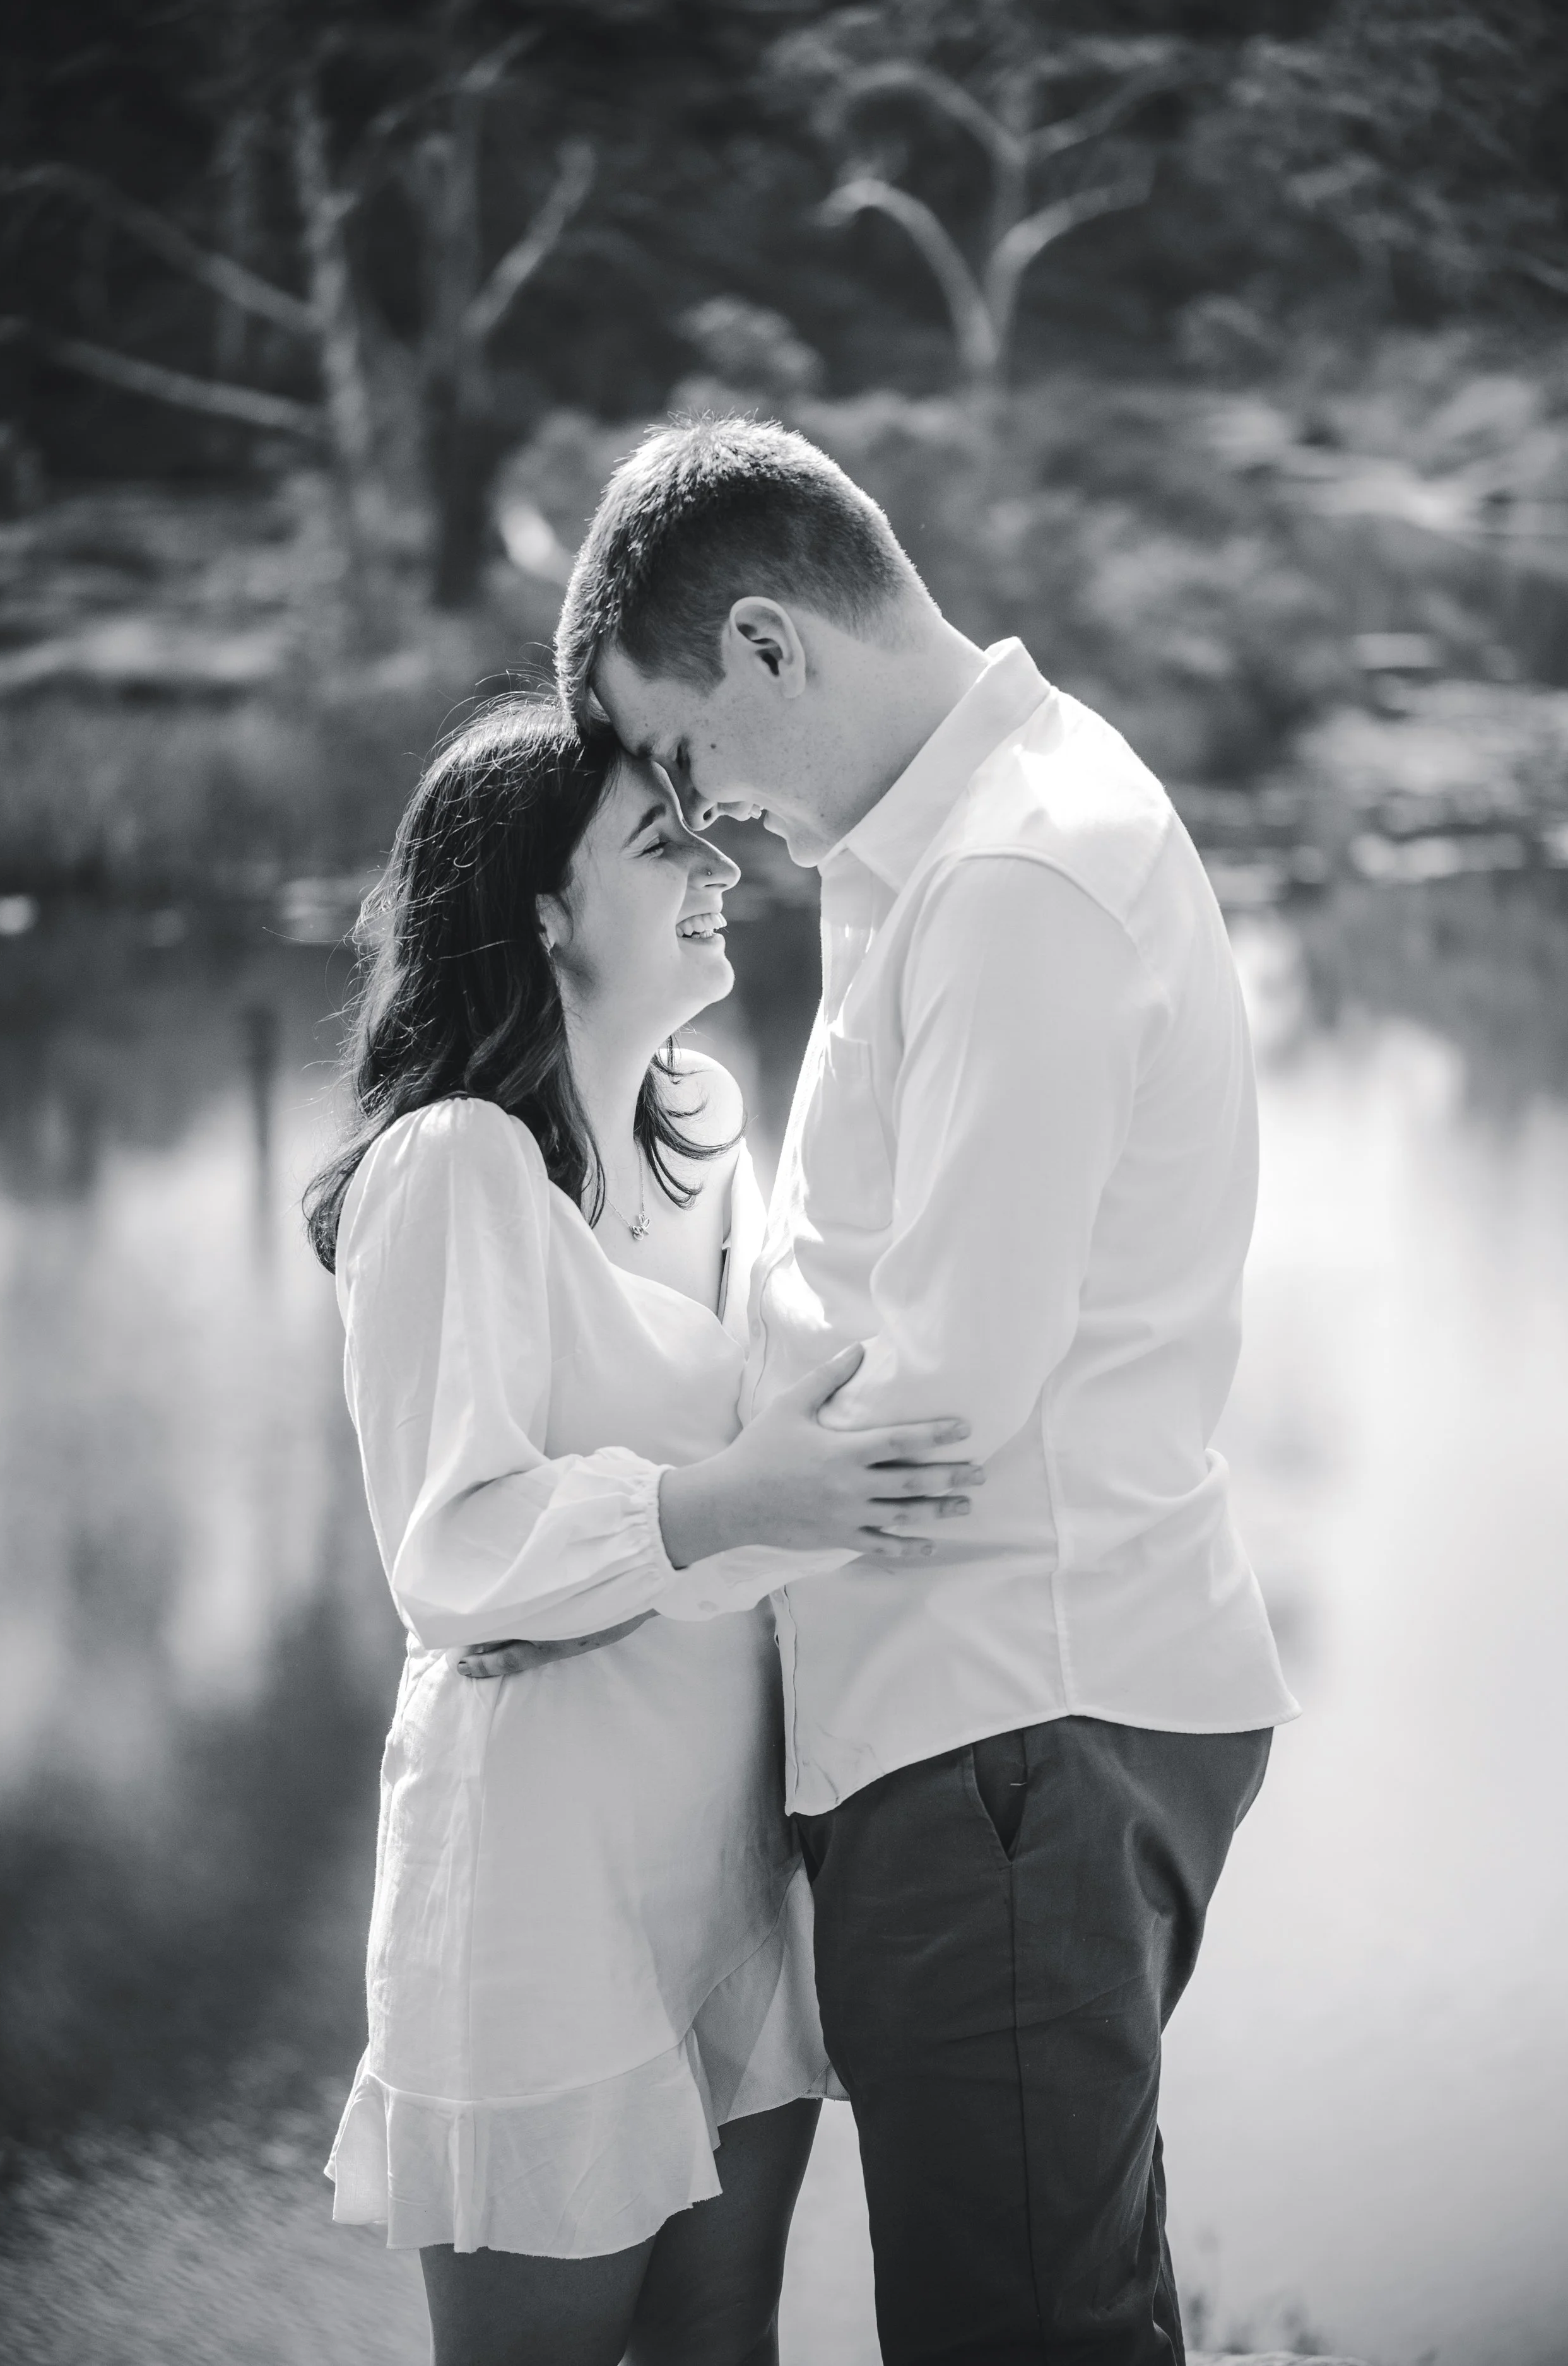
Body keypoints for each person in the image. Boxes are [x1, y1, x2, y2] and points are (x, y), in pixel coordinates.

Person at [541, 415, 1302, 2365]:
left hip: (1010, 1735)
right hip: (1001, 1735)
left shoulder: (1011, 873)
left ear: (771, 643)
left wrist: (641, 1556)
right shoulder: (954, 849)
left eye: (688, 755)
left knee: (1016, 2332)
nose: (703, 820)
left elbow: (944, 1399)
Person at [303, 698, 979, 2366]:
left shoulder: (712, 1135)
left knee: (722, 2343)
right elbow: (453, 1551)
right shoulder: (453, 1164)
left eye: (710, 834)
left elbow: (785, 1461)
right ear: (542, 908)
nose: (719, 869)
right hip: (541, 1883)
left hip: (725, 1859)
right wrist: (717, 1507)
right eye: (663, 843)